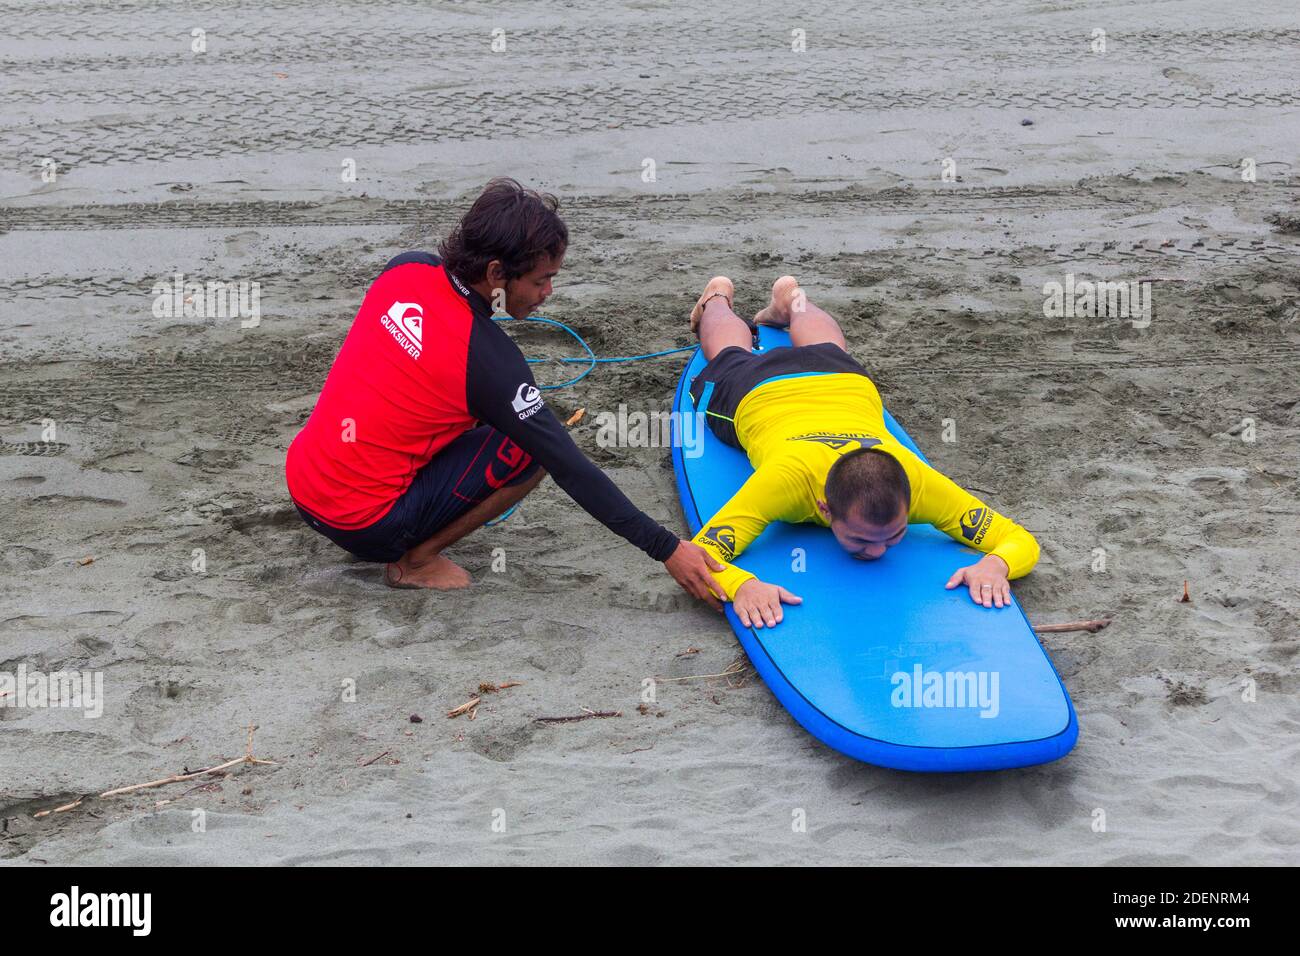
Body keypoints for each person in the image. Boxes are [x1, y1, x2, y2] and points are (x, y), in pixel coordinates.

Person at [285, 178, 723, 601]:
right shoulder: (491, 363)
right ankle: (416, 561)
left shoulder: (407, 268)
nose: (548, 292)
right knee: (531, 450)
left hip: (304, 487)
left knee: (442, 401)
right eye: (539, 280)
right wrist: (667, 548)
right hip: (364, 527)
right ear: (496, 272)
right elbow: (570, 467)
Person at [686, 274, 1041, 629]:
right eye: (859, 538)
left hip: (843, 382)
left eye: (895, 535)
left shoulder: (917, 483)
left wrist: (996, 565)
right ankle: (718, 298)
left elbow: (1018, 539)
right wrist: (743, 586)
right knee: (730, 354)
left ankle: (788, 297)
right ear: (824, 508)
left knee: (829, 349)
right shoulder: (786, 480)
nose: (877, 551)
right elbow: (700, 556)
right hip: (758, 389)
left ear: (909, 501)